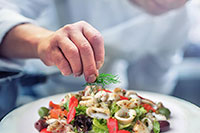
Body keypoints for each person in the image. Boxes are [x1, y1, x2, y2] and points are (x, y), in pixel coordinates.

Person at [0, 0, 189, 96]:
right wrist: (43, 42)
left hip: (106, 97)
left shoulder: (182, 19)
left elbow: (152, 86)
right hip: (27, 87)